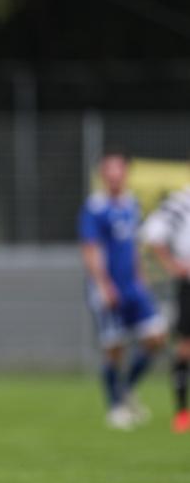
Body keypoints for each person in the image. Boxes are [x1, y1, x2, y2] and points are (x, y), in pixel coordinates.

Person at [79, 152, 166, 430]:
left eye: (119, 170)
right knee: (114, 348)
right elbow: (91, 250)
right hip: (109, 288)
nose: (115, 175)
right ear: (103, 175)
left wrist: (140, 276)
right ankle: (115, 407)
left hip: (133, 287)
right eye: (109, 171)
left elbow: (132, 246)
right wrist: (104, 285)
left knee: (156, 338)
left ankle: (126, 389)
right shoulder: (95, 208)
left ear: (126, 173)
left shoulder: (131, 203)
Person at [141, 184, 190, 433]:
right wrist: (171, 265)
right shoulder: (182, 201)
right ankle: (182, 412)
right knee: (185, 347)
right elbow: (153, 232)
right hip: (188, 284)